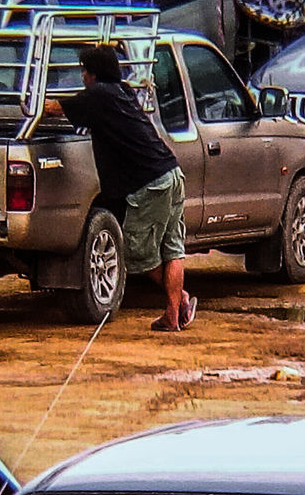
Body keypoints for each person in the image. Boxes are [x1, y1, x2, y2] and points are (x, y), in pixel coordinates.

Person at [44, 44, 196, 331]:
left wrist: (32, 100)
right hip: (171, 172)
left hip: (149, 183)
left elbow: (54, 109)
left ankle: (179, 301)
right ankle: (175, 312)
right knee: (172, 249)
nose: (83, 77)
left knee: (139, 254)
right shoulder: (124, 91)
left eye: (83, 71)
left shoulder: (98, 96)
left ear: (92, 73)